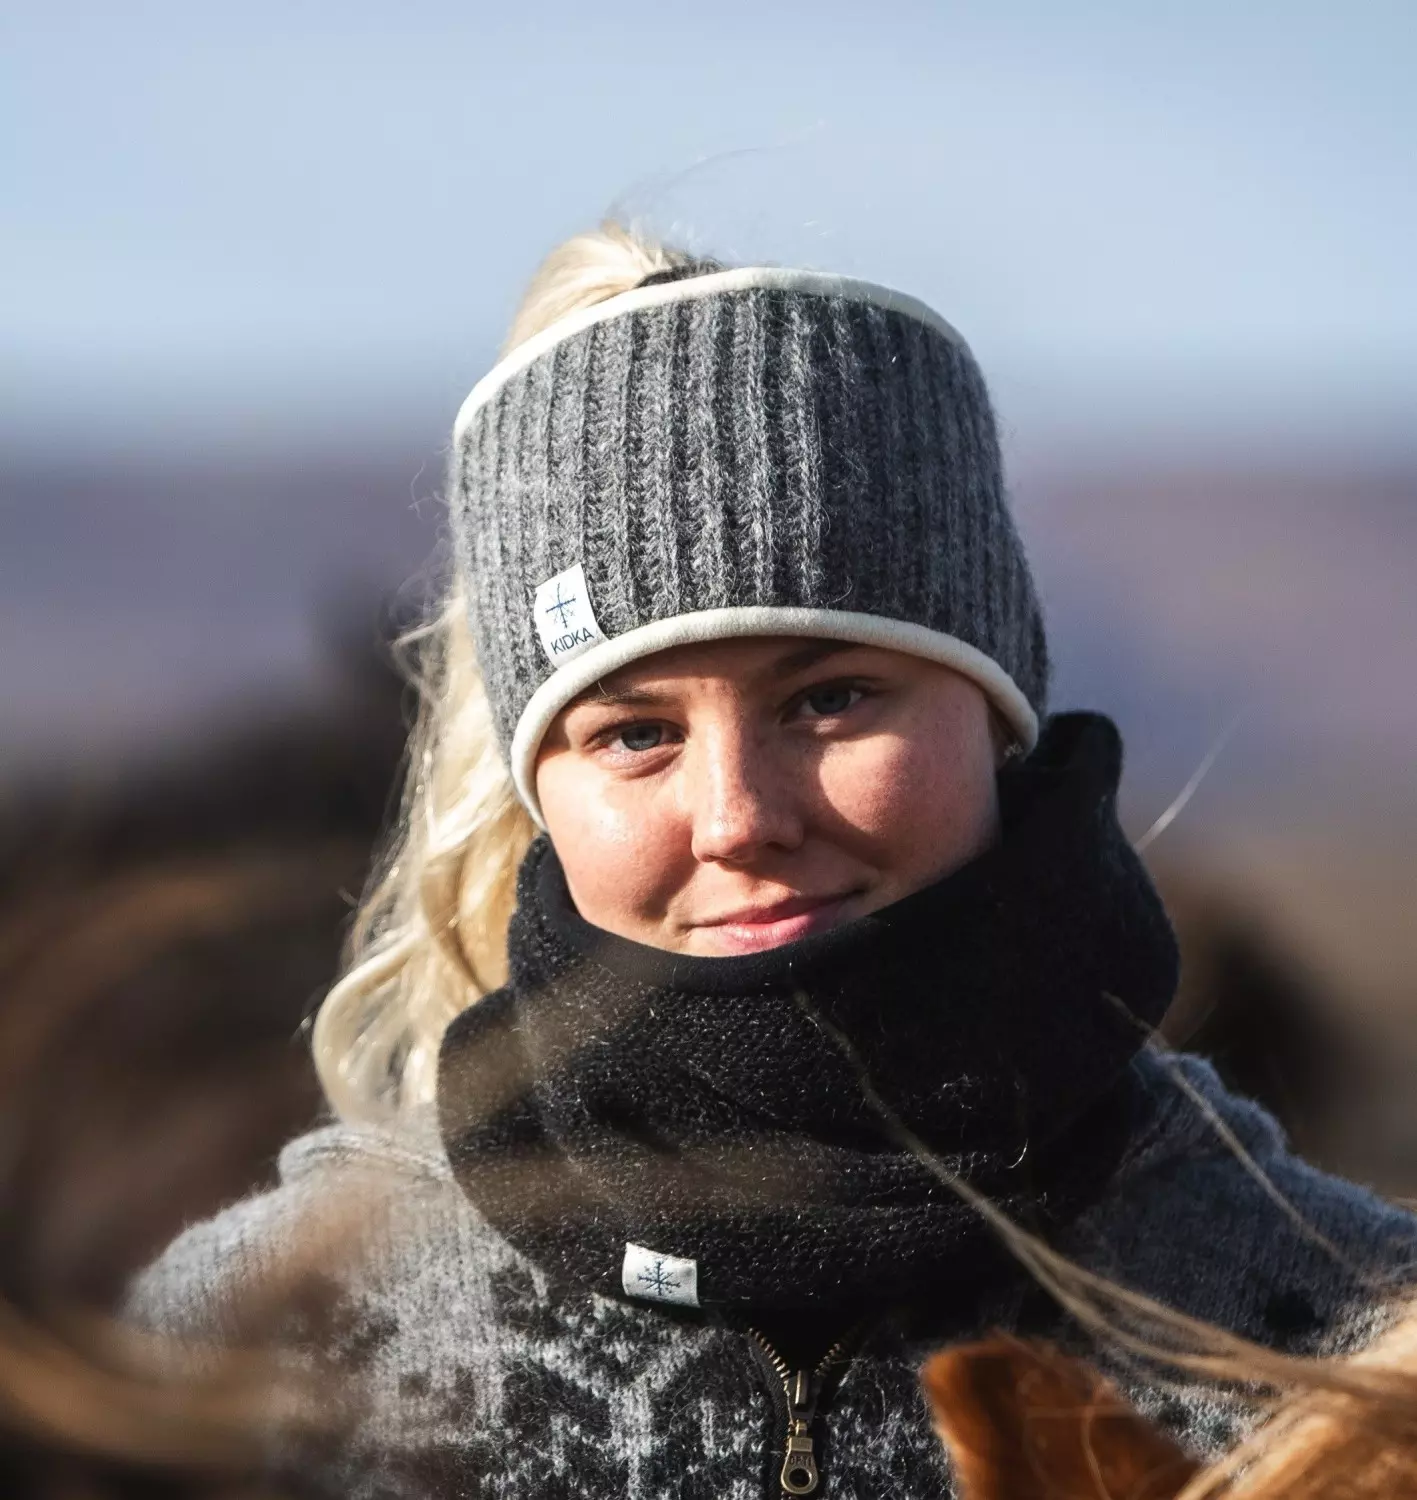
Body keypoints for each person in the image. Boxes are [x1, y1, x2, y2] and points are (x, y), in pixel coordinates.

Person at [129, 224, 1417, 1499]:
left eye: (833, 697)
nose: (737, 816)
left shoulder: (1340, 1359)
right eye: (635, 733)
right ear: (537, 795)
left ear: (998, 711)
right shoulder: (242, 1363)